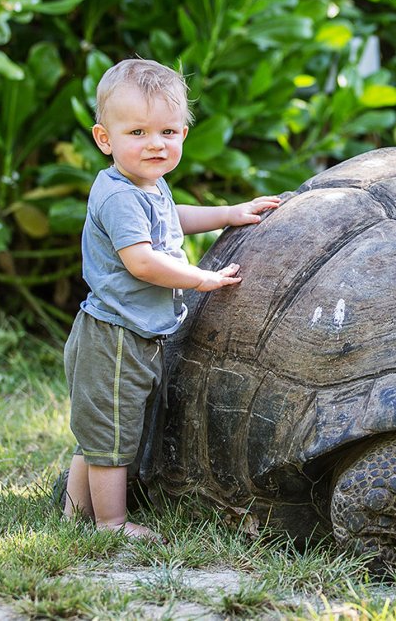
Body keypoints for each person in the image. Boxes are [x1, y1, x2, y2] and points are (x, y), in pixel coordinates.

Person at [61, 58, 281, 540]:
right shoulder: (119, 196)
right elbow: (141, 261)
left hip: (135, 333)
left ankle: (74, 516)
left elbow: (171, 217)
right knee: (112, 438)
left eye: (167, 132)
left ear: (183, 133)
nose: (155, 144)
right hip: (115, 338)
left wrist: (228, 213)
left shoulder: (146, 183)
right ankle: (111, 524)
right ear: (104, 139)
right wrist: (199, 279)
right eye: (137, 132)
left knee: (102, 431)